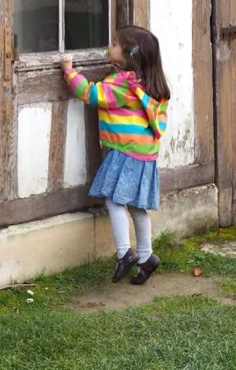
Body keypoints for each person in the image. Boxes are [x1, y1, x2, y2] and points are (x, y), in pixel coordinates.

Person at [60, 26, 170, 285]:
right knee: (135, 205)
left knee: (113, 200)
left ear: (130, 54)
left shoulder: (124, 84)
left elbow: (91, 94)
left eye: (114, 44)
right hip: (146, 154)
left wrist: (69, 71)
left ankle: (125, 253)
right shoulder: (149, 82)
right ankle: (147, 257)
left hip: (126, 151)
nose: (109, 47)